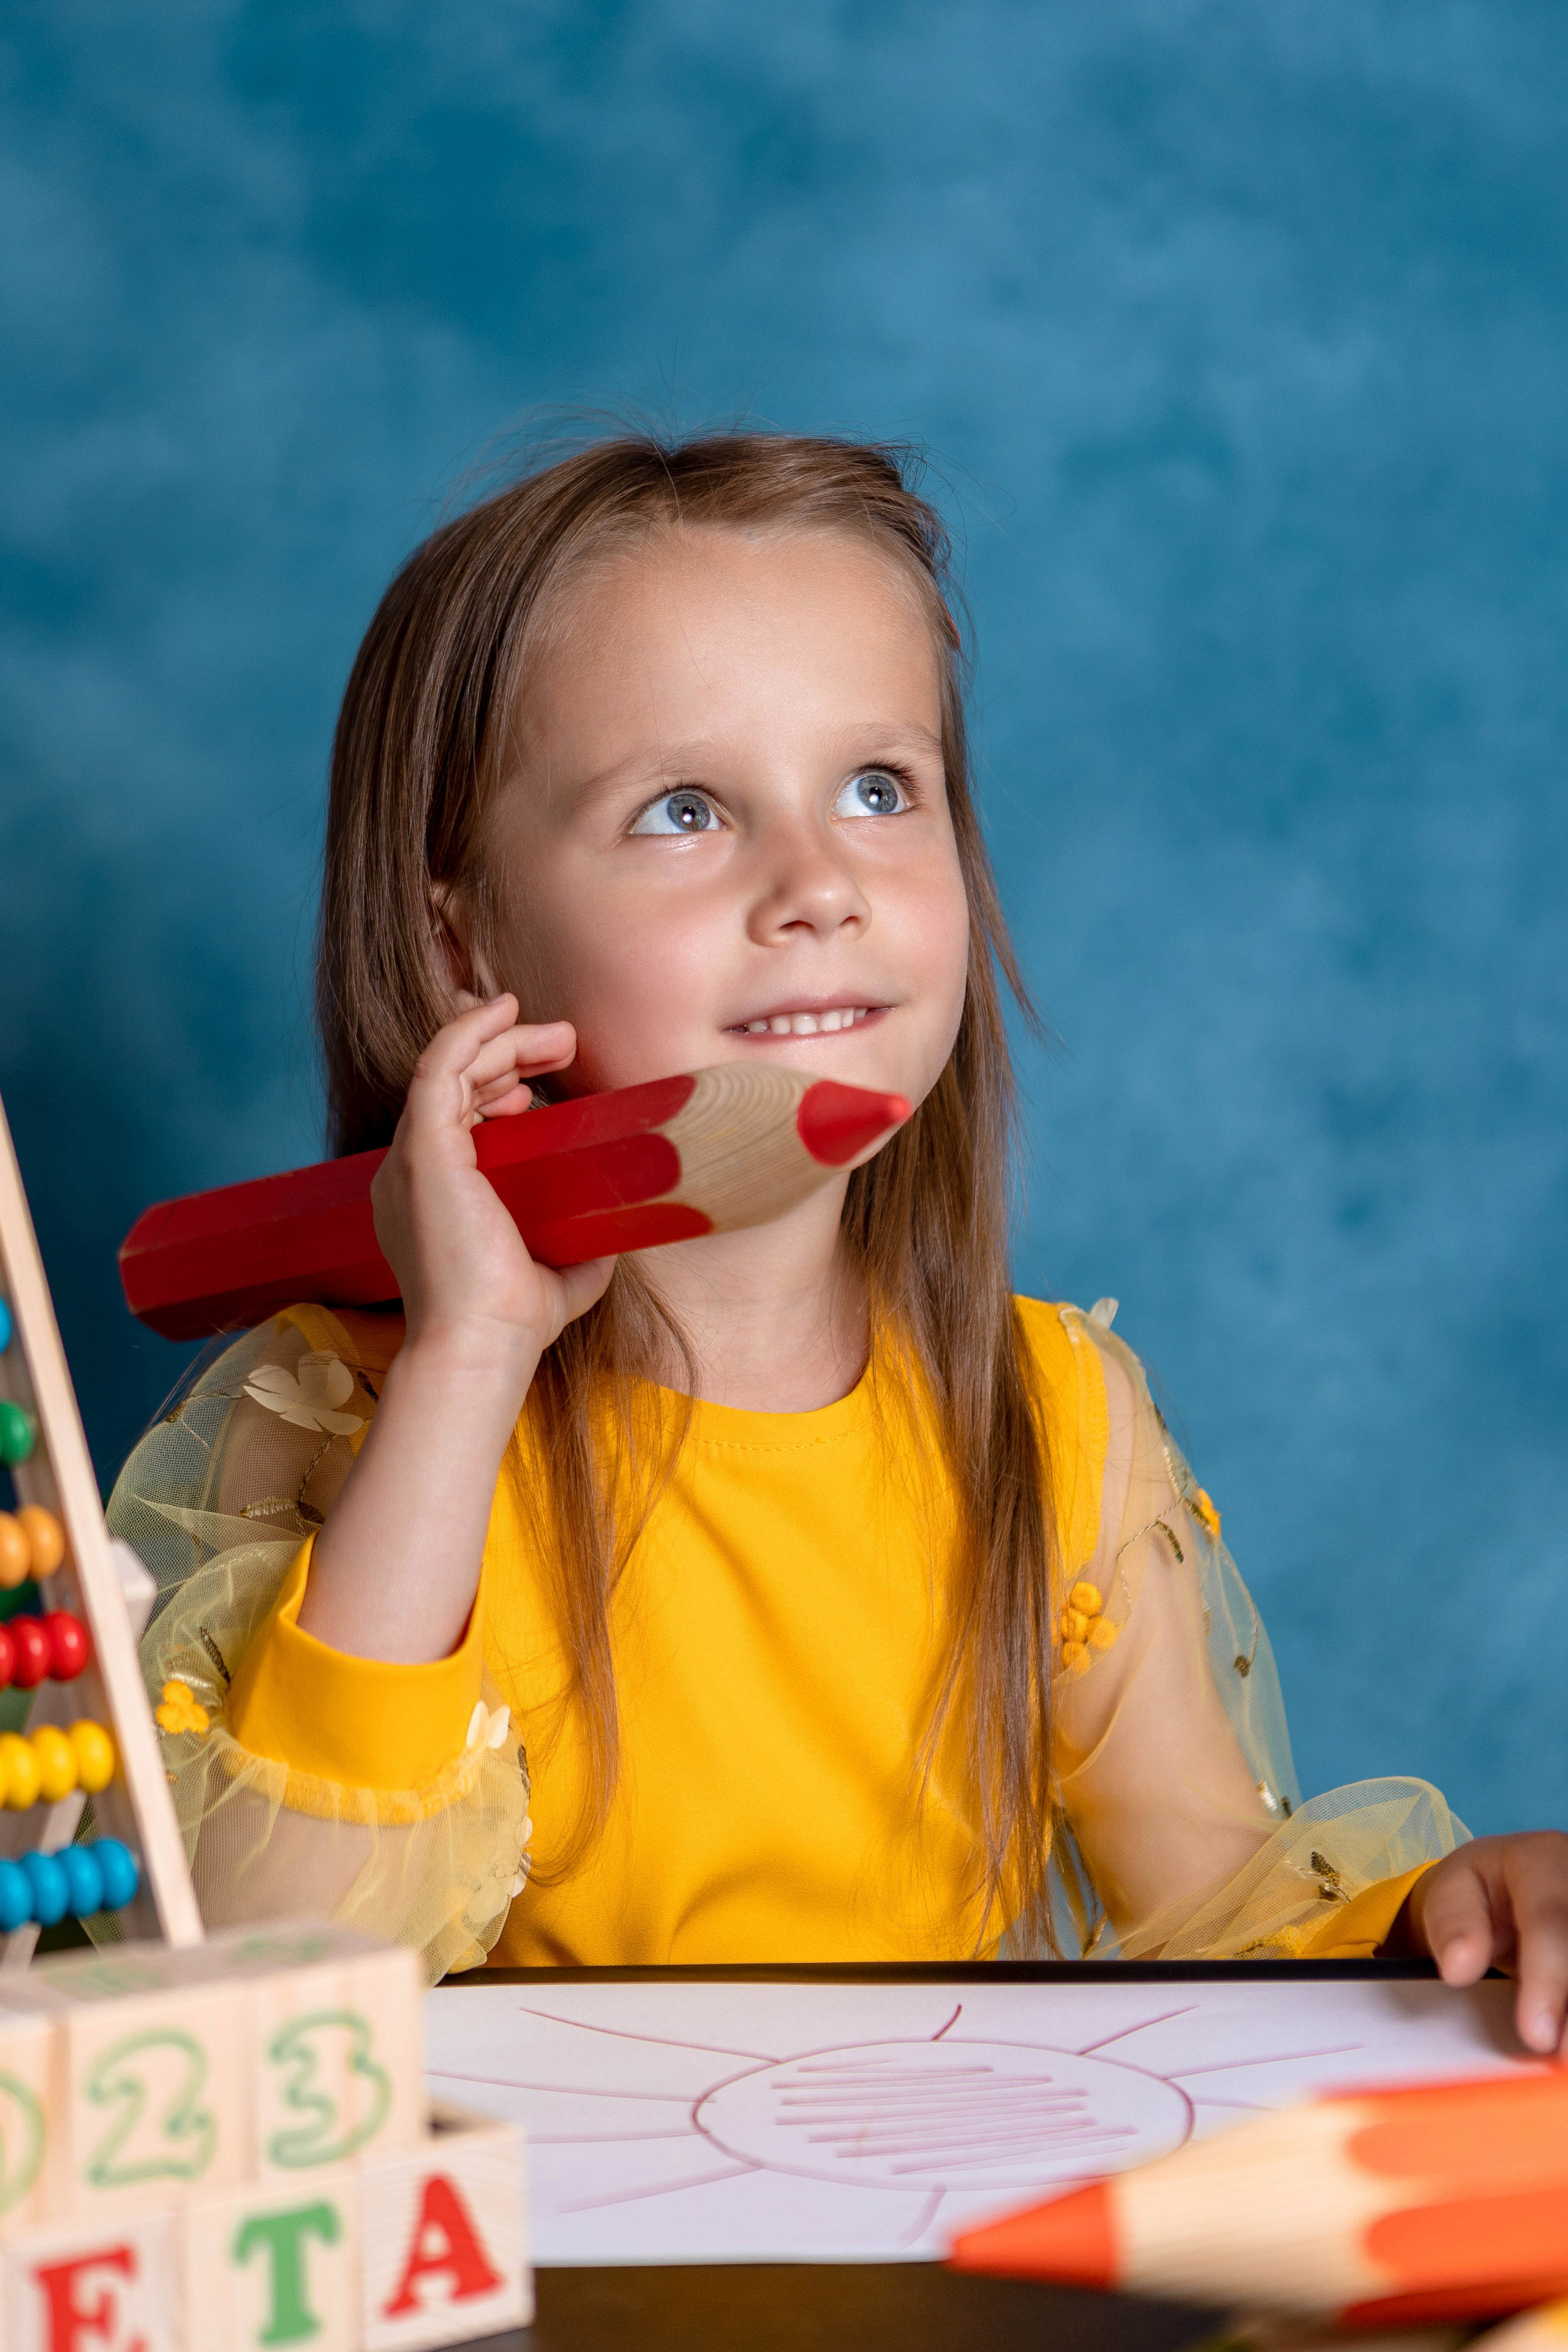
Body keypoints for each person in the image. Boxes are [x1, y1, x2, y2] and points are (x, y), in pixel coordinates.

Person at [111, 431, 1568, 2044]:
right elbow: (263, 1993)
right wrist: (468, 1363)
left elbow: (1214, 1914)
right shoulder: (336, 1414)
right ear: (464, 944)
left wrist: (1443, 1911)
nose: (819, 883)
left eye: (880, 789)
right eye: (684, 810)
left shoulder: (1050, 1417)